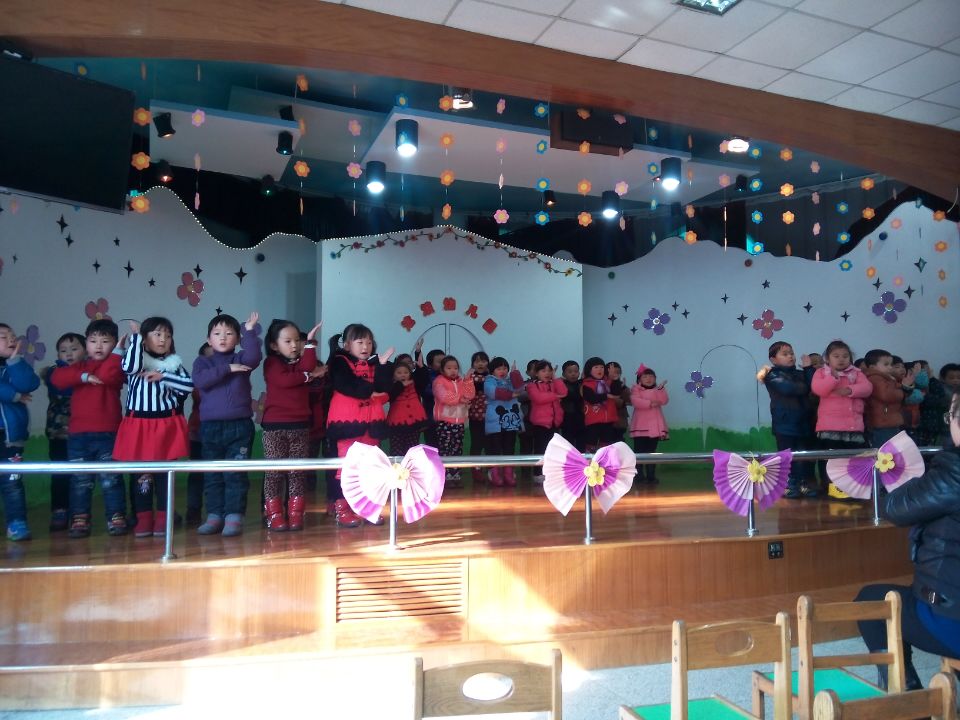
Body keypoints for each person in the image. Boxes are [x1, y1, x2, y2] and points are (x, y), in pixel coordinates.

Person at [856, 391, 960, 691]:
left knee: (870, 602)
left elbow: (896, 508)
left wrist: (892, 479)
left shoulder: (953, 474)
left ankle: (907, 697)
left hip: (951, 620)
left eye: (951, 415)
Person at [113, 317, 193, 537]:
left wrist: (163, 376)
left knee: (165, 475)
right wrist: (136, 338)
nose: (163, 339)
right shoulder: (137, 361)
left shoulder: (173, 364)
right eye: (157, 334)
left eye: (168, 335)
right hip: (138, 425)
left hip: (165, 425)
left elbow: (188, 386)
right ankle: (144, 518)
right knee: (142, 476)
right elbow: (129, 366)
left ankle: (163, 519)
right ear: (145, 338)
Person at [50, 320, 127, 538]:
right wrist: (83, 376)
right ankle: (80, 518)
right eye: (93, 341)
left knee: (111, 479)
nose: (98, 346)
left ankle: (116, 516)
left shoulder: (117, 364)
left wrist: (118, 352)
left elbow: (108, 375)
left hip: (108, 434)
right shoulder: (79, 366)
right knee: (80, 480)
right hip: (78, 436)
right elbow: (57, 378)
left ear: (115, 343)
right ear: (86, 344)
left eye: (105, 341)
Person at [192, 312, 262, 536]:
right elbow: (200, 380)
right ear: (208, 339)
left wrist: (249, 331)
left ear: (237, 339)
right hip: (210, 428)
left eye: (229, 333)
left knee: (235, 474)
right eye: (217, 333)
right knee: (213, 474)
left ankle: (234, 516)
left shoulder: (242, 358)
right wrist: (227, 369)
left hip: (239, 426)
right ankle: (214, 515)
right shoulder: (203, 362)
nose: (222, 337)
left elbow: (254, 357)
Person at [325, 323, 394, 526]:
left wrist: (383, 366)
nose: (366, 346)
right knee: (345, 468)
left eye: (369, 342)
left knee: (371, 467)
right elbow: (346, 384)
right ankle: (342, 508)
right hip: (347, 423)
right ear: (347, 345)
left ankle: (368, 508)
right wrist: (371, 391)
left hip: (371, 423)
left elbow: (384, 388)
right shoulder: (339, 361)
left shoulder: (375, 363)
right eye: (360, 342)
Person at [260, 319, 323, 531]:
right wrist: (307, 377)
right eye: (288, 341)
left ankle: (296, 513)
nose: (294, 345)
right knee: (274, 472)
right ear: (274, 345)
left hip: (300, 426)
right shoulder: (271, 363)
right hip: (274, 427)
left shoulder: (300, 363)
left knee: (297, 472)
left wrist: (310, 343)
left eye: (297, 340)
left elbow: (309, 365)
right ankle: (274, 514)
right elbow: (284, 381)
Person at [811, 340, 872, 500]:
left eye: (845, 356)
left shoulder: (857, 373)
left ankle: (851, 487)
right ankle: (830, 486)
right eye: (836, 356)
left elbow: (867, 388)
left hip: (853, 426)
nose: (841, 359)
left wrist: (850, 390)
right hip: (830, 427)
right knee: (831, 459)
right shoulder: (822, 373)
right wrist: (833, 378)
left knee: (852, 459)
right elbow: (819, 389)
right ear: (827, 359)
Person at [758, 341, 817, 498]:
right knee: (787, 457)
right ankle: (788, 485)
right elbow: (790, 389)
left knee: (804, 455)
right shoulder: (771, 375)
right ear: (773, 359)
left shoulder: (800, 373)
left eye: (791, 353)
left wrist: (809, 369)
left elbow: (815, 387)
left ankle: (804, 483)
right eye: (785, 354)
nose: (790, 356)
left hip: (805, 422)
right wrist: (806, 384)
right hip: (785, 424)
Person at [0, 323, 41, 541]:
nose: (11, 339)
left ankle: (17, 523)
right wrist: (14, 396)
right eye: (3, 336)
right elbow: (13, 392)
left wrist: (15, 361)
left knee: (13, 481)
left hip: (10, 437)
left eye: (12, 336)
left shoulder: (16, 364)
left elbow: (29, 383)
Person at [42, 332, 85, 531]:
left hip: (82, 434)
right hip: (59, 434)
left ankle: (79, 513)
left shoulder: (89, 370)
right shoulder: (54, 373)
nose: (68, 354)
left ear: (85, 352)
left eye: (74, 349)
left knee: (80, 476)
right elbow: (65, 387)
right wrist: (84, 376)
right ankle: (60, 510)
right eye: (63, 350)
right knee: (60, 473)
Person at [432, 355, 475, 488]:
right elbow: (444, 396)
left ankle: (456, 475)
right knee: (445, 449)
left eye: (455, 368)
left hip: (459, 422)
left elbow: (470, 395)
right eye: (449, 368)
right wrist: (460, 399)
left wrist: (468, 380)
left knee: (457, 448)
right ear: (442, 370)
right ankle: (445, 476)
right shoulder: (439, 381)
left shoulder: (461, 381)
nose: (453, 371)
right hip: (444, 422)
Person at [483, 357, 524, 487]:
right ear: (492, 370)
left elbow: (520, 388)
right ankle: (494, 473)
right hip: (495, 422)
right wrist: (511, 395)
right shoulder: (489, 381)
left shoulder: (510, 380)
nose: (503, 371)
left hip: (511, 421)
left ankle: (508, 473)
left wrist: (514, 373)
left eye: (505, 368)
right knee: (495, 448)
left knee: (509, 447)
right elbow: (494, 393)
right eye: (499, 368)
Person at [185, 343, 212, 527]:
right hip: (198, 431)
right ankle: (193, 510)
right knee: (196, 474)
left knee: (215, 475)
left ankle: (215, 512)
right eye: (208, 359)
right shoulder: (198, 379)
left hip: (217, 433)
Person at [525, 360, 567, 483]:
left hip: (555, 422)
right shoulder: (532, 386)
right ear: (536, 373)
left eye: (549, 371)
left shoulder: (554, 384)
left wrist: (555, 378)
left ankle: (551, 473)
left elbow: (563, 392)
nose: (547, 373)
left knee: (553, 450)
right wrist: (555, 396)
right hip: (540, 423)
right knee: (540, 449)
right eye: (543, 371)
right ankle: (538, 473)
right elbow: (538, 398)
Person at [629, 366, 669, 485]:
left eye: (651, 376)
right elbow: (635, 401)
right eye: (645, 376)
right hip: (640, 427)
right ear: (639, 379)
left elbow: (664, 400)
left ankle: (651, 476)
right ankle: (639, 476)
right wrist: (650, 403)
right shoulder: (636, 389)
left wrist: (661, 389)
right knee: (639, 452)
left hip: (654, 428)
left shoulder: (658, 390)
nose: (648, 379)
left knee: (652, 452)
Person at [862, 348, 908, 448]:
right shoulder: (874, 378)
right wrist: (901, 392)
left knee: (892, 451)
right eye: (886, 364)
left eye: (891, 364)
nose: (890, 367)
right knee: (885, 452)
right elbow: (886, 395)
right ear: (872, 367)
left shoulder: (886, 378)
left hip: (888, 422)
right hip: (882, 423)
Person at [386, 355, 428, 457]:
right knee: (397, 450)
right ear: (393, 375)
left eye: (406, 372)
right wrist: (401, 385)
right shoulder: (391, 385)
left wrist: (421, 367)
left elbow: (424, 380)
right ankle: (397, 467)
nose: (403, 375)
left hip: (414, 422)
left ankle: (410, 467)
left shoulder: (414, 383)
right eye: (399, 373)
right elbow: (390, 396)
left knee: (412, 449)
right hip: (397, 423)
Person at [581, 356, 614, 452]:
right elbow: (591, 399)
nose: (600, 370)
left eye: (602, 367)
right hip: (593, 420)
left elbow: (617, 393)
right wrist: (606, 396)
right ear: (589, 370)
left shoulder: (608, 382)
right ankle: (590, 461)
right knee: (591, 444)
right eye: (596, 367)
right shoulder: (587, 384)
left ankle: (604, 461)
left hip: (608, 420)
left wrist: (613, 378)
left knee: (606, 445)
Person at [467, 351, 490, 481]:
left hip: (491, 417)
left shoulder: (492, 377)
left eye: (483, 361)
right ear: (472, 364)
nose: (480, 364)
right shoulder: (469, 378)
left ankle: (491, 470)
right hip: (475, 416)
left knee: (490, 444)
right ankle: (475, 470)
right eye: (477, 361)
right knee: (477, 443)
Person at [559, 360, 584, 451]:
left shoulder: (582, 384)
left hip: (581, 418)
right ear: (563, 374)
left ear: (579, 373)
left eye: (576, 371)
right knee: (568, 444)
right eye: (570, 372)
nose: (573, 374)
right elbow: (571, 396)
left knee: (581, 443)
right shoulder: (561, 384)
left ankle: (581, 459)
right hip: (567, 419)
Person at [606, 361, 630, 443]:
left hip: (620, 421)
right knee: (608, 441)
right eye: (612, 372)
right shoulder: (603, 385)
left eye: (618, 372)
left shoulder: (622, 385)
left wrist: (623, 388)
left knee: (619, 441)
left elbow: (629, 400)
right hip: (607, 420)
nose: (615, 374)